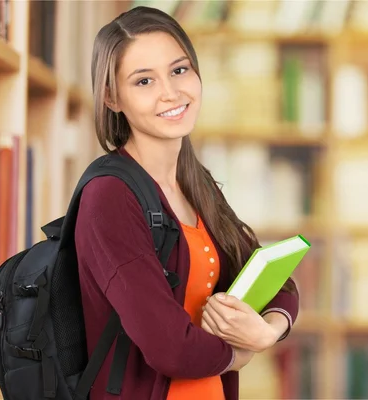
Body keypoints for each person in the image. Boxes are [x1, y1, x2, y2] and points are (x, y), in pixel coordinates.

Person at [74, 5, 300, 400]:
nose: (171, 92)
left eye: (179, 70)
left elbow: (272, 278)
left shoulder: (196, 185)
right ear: (112, 97)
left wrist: (268, 330)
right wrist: (239, 353)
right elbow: (169, 347)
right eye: (144, 81)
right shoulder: (108, 196)